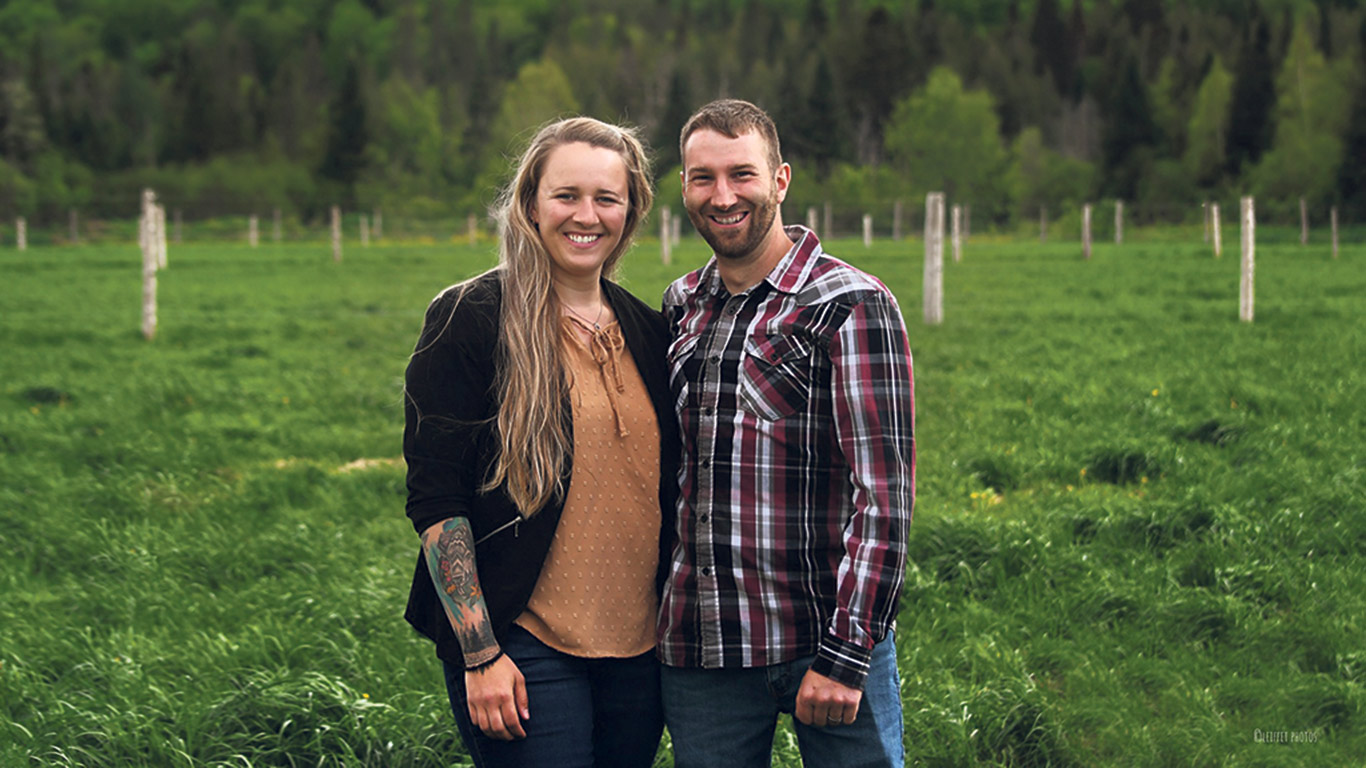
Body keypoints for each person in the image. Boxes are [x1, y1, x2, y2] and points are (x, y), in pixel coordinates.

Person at [402, 116, 678, 768]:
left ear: (631, 211)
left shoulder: (651, 330)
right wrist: (480, 654)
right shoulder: (472, 318)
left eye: (607, 198)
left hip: (639, 651)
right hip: (522, 643)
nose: (587, 215)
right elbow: (438, 498)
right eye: (567, 195)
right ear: (531, 202)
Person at [657, 99, 915, 768]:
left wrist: (848, 654)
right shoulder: (680, 304)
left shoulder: (848, 304)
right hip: (705, 647)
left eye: (742, 174)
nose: (722, 196)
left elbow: (884, 498)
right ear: (683, 186)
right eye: (702, 178)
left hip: (819, 638)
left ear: (780, 179)